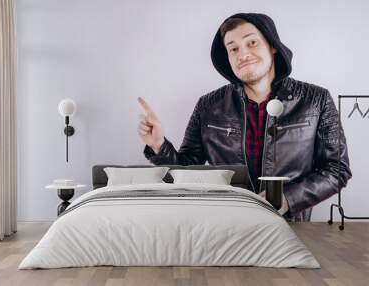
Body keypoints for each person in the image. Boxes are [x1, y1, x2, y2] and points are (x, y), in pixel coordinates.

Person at [136, 13, 352, 221]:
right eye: (233, 49)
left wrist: (287, 199)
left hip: (291, 229)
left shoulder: (316, 100)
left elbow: (337, 169)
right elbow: (186, 172)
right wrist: (159, 146)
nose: (243, 54)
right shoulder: (208, 106)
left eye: (252, 43)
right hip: (226, 228)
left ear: (273, 46)